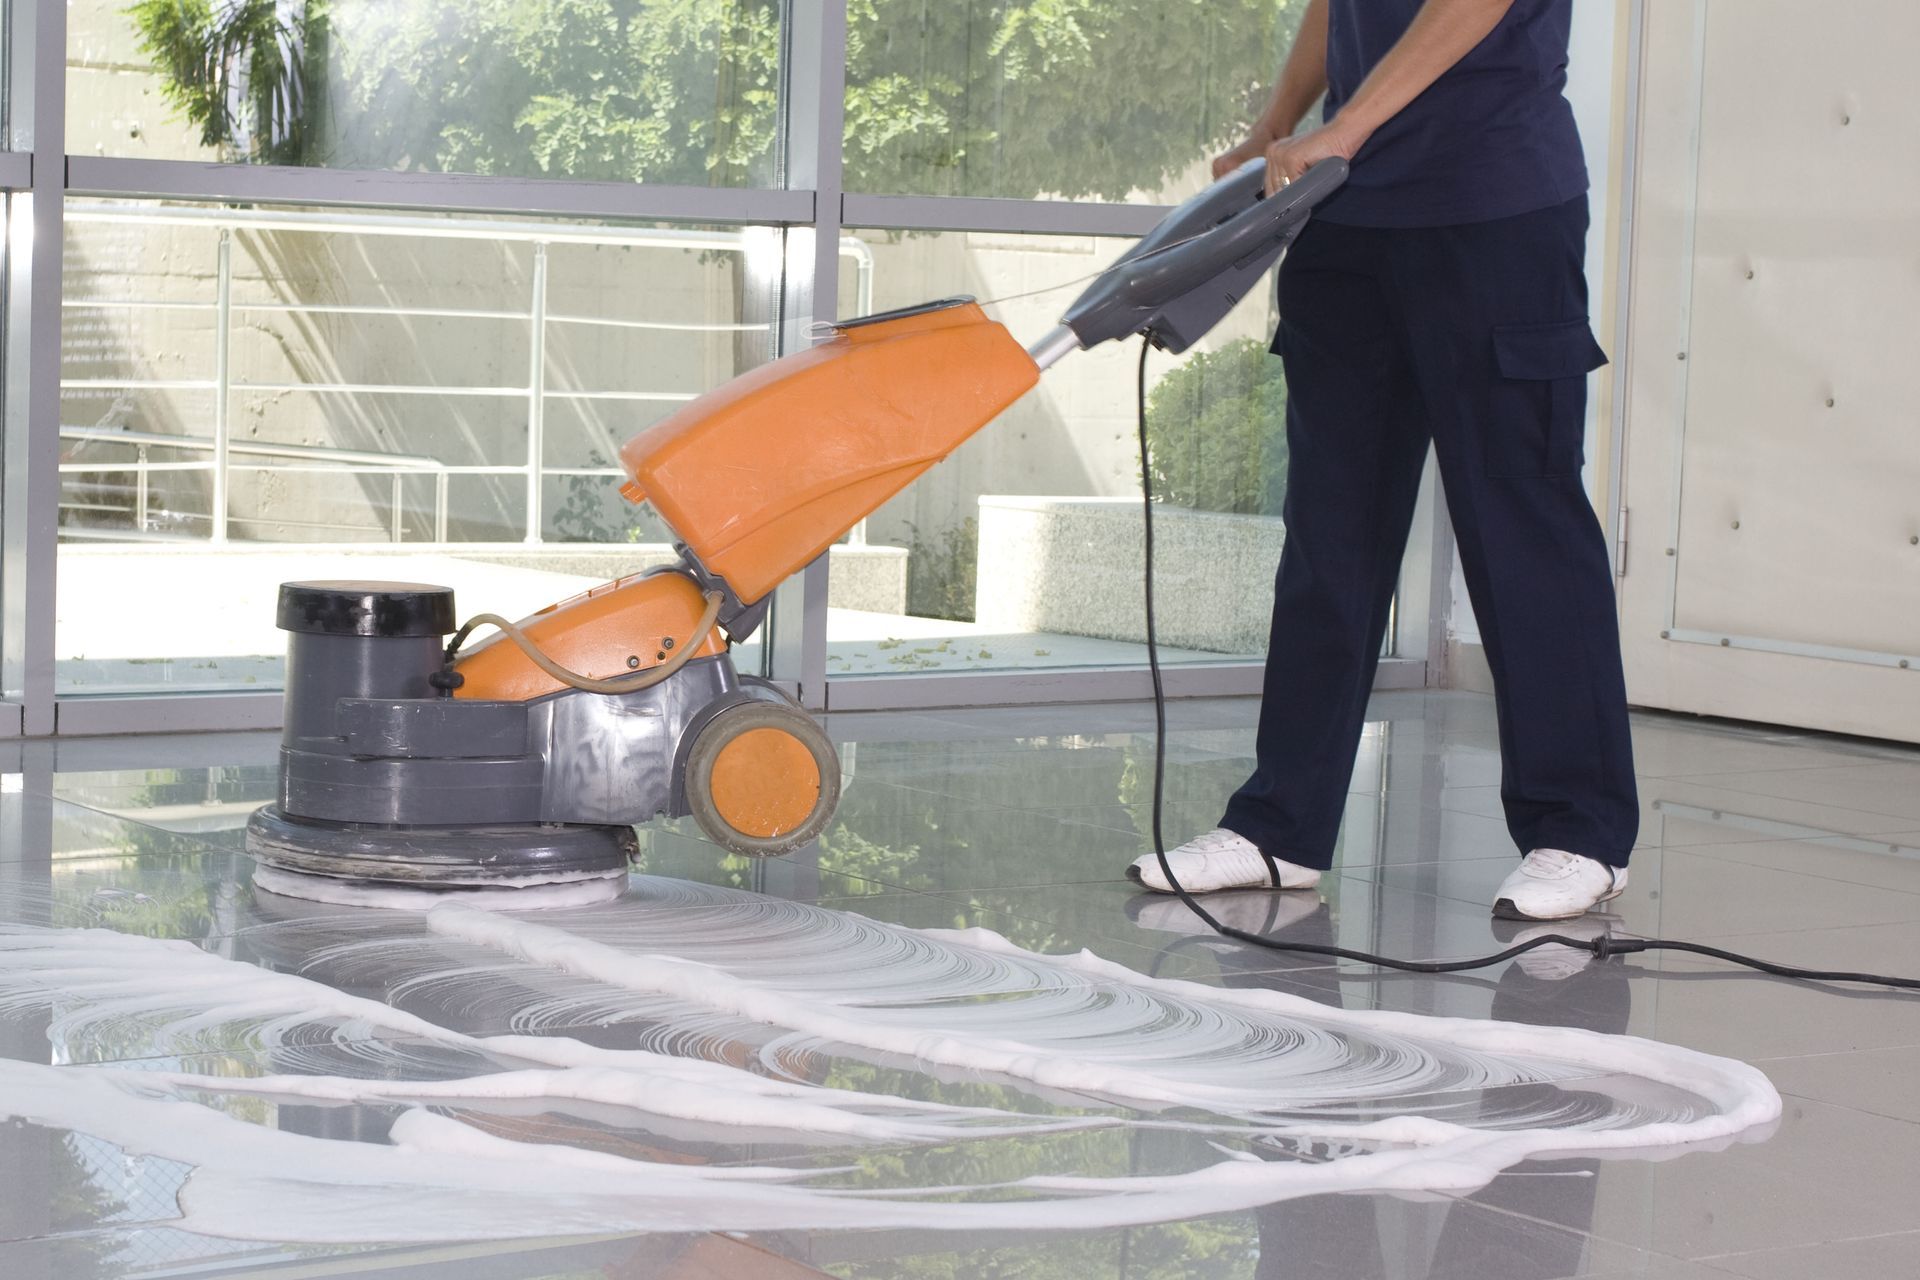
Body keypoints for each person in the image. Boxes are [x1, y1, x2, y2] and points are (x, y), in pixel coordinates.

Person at [1127, 0, 1638, 921]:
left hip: (1495, 205)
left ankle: (1582, 833)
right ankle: (1281, 827)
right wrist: (1276, 126)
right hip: (1346, 217)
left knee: (1521, 522)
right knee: (1331, 532)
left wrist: (1348, 124)